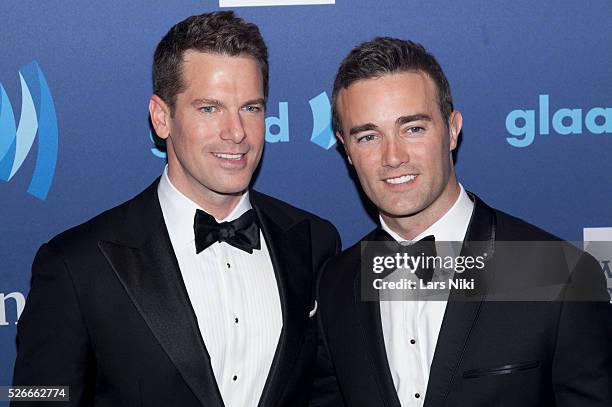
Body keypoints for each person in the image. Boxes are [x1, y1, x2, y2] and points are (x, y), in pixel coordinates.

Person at [12, 11, 340, 407]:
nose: (236, 132)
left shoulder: (313, 240)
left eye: (250, 108)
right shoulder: (74, 264)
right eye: (209, 109)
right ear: (161, 117)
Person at [312, 37, 611, 406]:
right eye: (369, 136)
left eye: (413, 128)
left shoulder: (557, 273)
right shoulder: (336, 284)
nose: (393, 156)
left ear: (452, 130)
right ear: (346, 148)